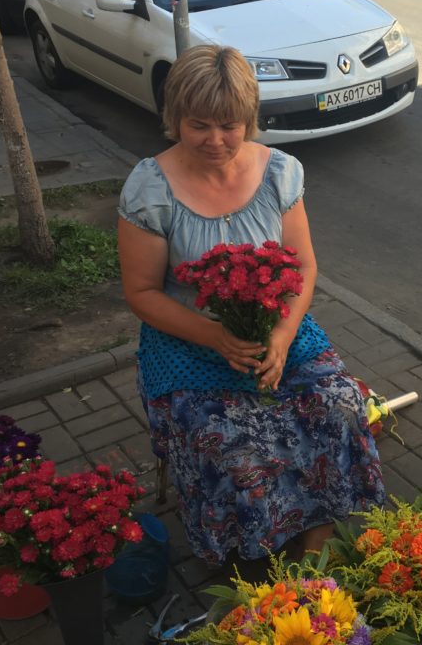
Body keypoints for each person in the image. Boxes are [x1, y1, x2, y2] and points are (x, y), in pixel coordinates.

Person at [118, 45, 386, 566]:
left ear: (250, 119)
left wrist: (282, 337)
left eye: (231, 125)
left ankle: (316, 536)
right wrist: (217, 336)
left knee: (340, 407)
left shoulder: (280, 172)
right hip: (188, 344)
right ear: (174, 119)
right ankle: (256, 547)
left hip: (277, 329)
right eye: (198, 125)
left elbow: (304, 268)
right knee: (234, 445)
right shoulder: (150, 188)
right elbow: (143, 293)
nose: (215, 140)